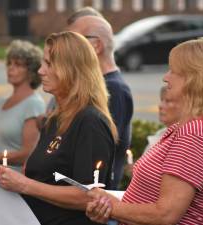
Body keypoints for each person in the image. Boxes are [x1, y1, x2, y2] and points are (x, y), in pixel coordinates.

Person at [86, 37, 203, 225]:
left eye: (173, 71)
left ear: (195, 78)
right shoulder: (196, 126)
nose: (166, 77)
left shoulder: (197, 133)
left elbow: (165, 215)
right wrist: (110, 205)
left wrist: (112, 207)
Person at [0, 31, 118, 225]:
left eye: (49, 64)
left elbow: (89, 196)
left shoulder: (90, 122)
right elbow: (44, 178)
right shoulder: (55, 119)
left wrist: (25, 185)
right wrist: (10, 180)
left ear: (72, 70)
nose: (41, 71)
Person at [68, 13, 134, 189]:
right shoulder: (102, 86)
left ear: (96, 45)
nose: (69, 48)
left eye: (75, 40)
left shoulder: (114, 90)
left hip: (96, 202)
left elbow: (100, 149)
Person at [0, 40, 45, 172]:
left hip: (12, 179)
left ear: (31, 71)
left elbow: (27, 154)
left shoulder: (33, 104)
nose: (11, 68)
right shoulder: (0, 103)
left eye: (18, 65)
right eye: (9, 63)